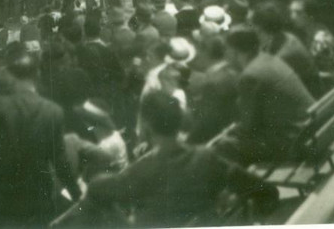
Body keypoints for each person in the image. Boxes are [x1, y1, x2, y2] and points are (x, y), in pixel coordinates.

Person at [86, 91, 278, 228]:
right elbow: (266, 190)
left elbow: (95, 189)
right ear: (179, 120)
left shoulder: (141, 170)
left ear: (147, 126)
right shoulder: (206, 156)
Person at [0, 50, 81, 226]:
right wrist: (75, 192)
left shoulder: (2, 106)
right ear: (38, 74)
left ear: (11, 76)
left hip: (1, 191)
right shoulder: (53, 110)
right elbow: (59, 159)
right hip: (36, 191)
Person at [217, 28, 313, 164]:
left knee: (225, 146)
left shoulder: (250, 76)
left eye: (226, 50)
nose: (225, 56)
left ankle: (250, 184)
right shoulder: (269, 58)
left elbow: (248, 126)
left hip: (294, 142)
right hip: (308, 128)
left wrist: (228, 133)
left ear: (234, 51)